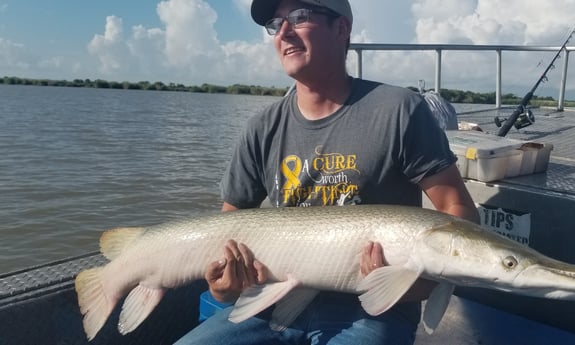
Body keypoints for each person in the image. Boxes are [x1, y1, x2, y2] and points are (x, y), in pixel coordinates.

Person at [176, 0, 479, 344]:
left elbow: (459, 211)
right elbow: (227, 228)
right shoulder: (261, 127)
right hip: (274, 301)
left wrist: (420, 282)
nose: (284, 32)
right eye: (275, 24)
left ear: (341, 29)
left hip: (369, 312)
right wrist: (224, 284)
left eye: (299, 17)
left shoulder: (399, 110)